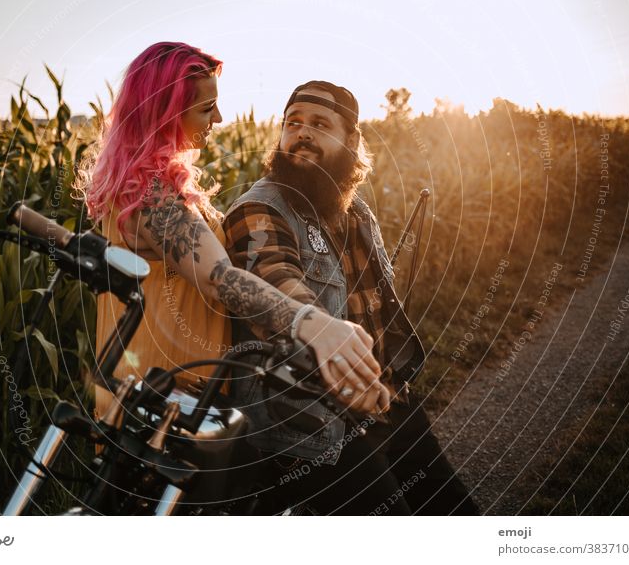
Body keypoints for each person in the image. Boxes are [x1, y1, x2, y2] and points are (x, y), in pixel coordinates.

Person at [77, 43, 386, 428]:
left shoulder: (150, 185)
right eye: (207, 108)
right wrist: (316, 325)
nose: (219, 117)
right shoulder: (149, 194)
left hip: (181, 392)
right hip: (158, 393)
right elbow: (217, 277)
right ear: (165, 112)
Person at [224, 80, 479, 515]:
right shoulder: (260, 209)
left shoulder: (354, 210)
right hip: (306, 422)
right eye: (293, 123)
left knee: (451, 510)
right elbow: (274, 280)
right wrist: (327, 339)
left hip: (383, 398)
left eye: (320, 124)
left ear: (351, 140)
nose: (301, 133)